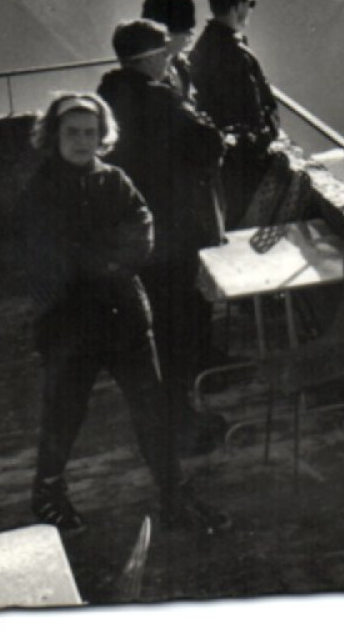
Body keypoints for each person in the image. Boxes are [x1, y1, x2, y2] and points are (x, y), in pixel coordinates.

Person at [18, 93, 229, 535]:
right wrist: (106, 258)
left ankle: (173, 497)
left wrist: (99, 258)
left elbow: (141, 232)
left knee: (151, 409)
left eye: (89, 133)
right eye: (71, 132)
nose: (81, 141)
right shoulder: (39, 191)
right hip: (68, 325)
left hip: (126, 319)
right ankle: (48, 493)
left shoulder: (115, 181)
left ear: (102, 137)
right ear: (53, 135)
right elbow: (52, 258)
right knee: (64, 412)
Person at [98, 20, 227, 454]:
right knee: (180, 330)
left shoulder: (108, 95)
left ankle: (168, 422)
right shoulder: (160, 99)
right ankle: (182, 428)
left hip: (135, 233)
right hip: (172, 231)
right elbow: (209, 144)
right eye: (164, 55)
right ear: (152, 58)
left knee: (157, 332)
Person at [188, 0, 280, 227]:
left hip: (221, 159)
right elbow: (252, 110)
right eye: (249, 3)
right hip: (241, 164)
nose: (250, 10)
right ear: (236, 6)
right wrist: (266, 134)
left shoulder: (204, 45)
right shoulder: (235, 54)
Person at [140, 0, 200, 103]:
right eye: (186, 32)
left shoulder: (180, 65)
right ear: (168, 35)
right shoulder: (148, 70)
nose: (190, 38)